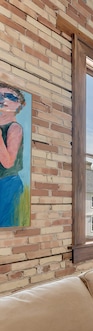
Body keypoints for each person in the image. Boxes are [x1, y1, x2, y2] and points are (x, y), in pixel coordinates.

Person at [0, 83, 27, 227]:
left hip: (7, 183)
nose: (3, 99)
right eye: (0, 95)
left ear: (20, 105)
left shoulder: (14, 128)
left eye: (10, 96)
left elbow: (8, 162)